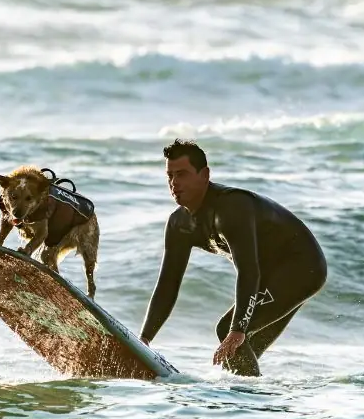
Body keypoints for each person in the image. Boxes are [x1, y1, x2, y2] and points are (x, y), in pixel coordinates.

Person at [138, 139, 328, 376]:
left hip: (302, 267)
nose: (174, 183)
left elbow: (248, 270)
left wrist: (238, 328)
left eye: (182, 174)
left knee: (230, 332)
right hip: (268, 276)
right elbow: (168, 283)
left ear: (204, 174)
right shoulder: (179, 225)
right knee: (239, 356)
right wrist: (144, 339)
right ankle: (252, 403)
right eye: (170, 176)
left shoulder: (232, 207)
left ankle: (251, 402)